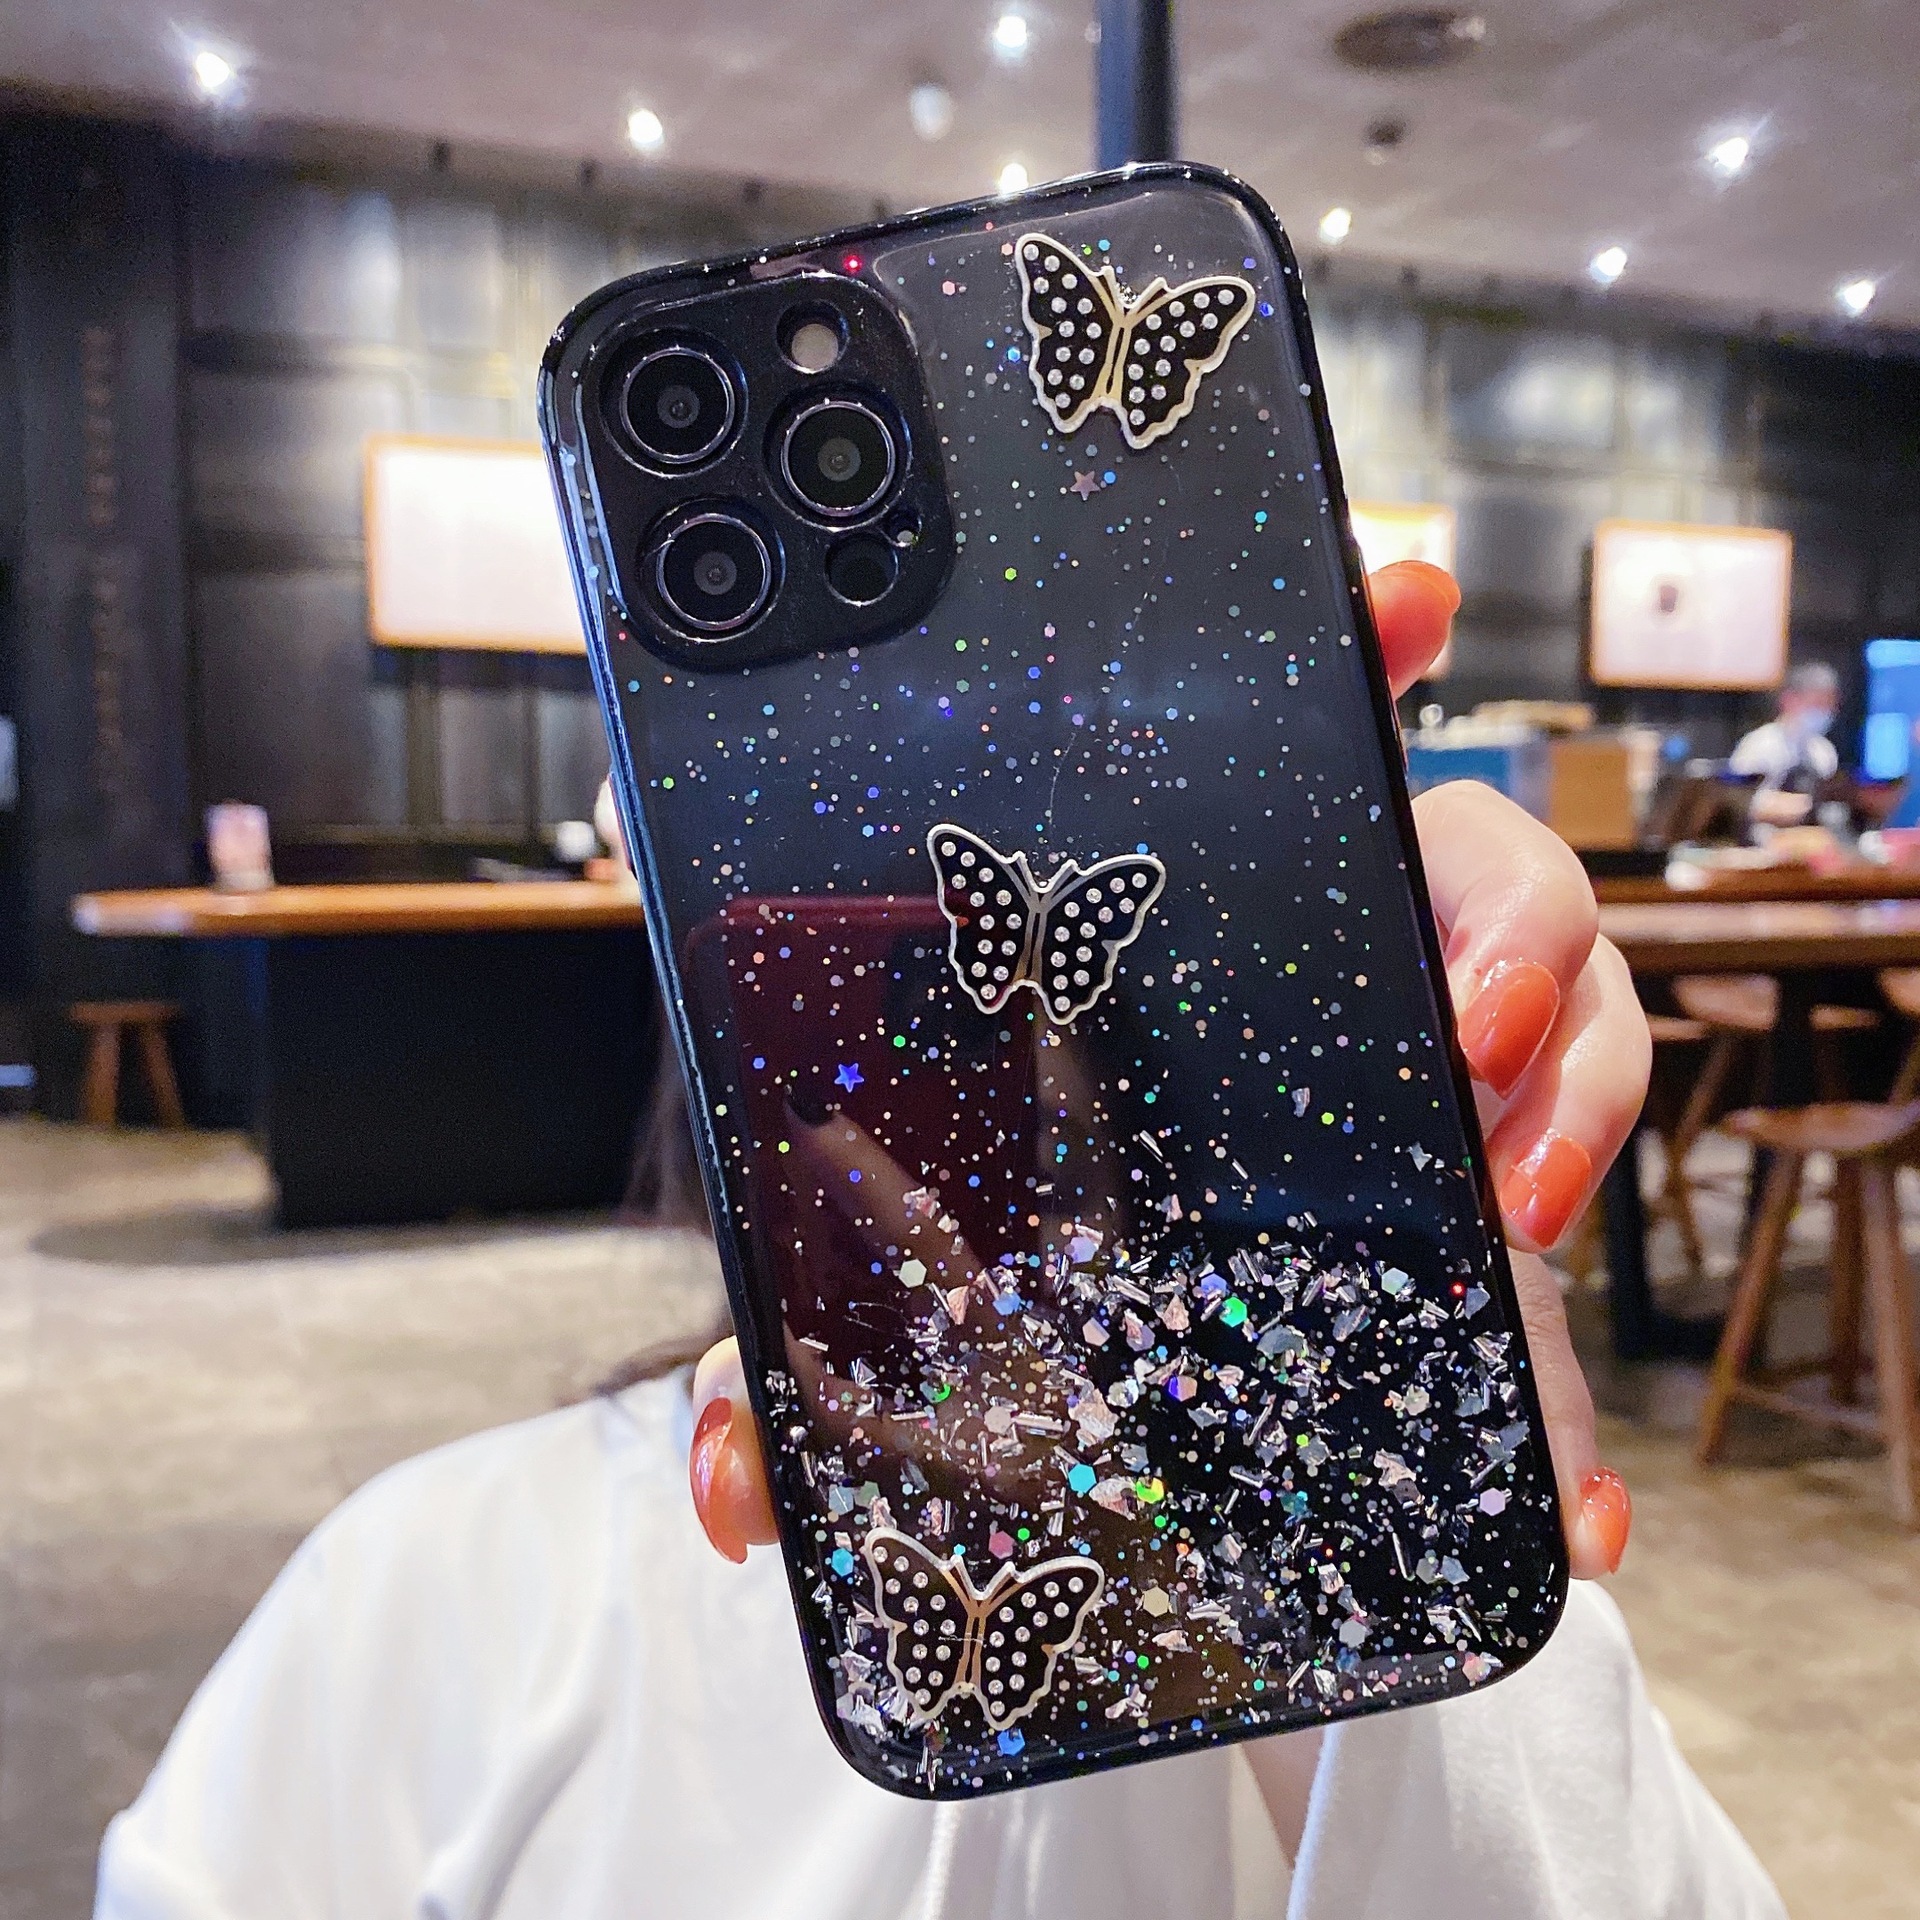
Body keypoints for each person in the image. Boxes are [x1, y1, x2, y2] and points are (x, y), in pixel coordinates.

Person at [94, 565, 1783, 1920]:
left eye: (1042, 992)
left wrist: (1311, 1552)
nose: (977, 1061)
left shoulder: (1381, 1591)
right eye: (868, 970)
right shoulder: (426, 1604)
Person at [1728, 661, 1841, 793]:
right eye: (1818, 704)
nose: (1824, 712)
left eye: (1830, 706)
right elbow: (1738, 796)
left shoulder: (1824, 752)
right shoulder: (1759, 744)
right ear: (1789, 700)